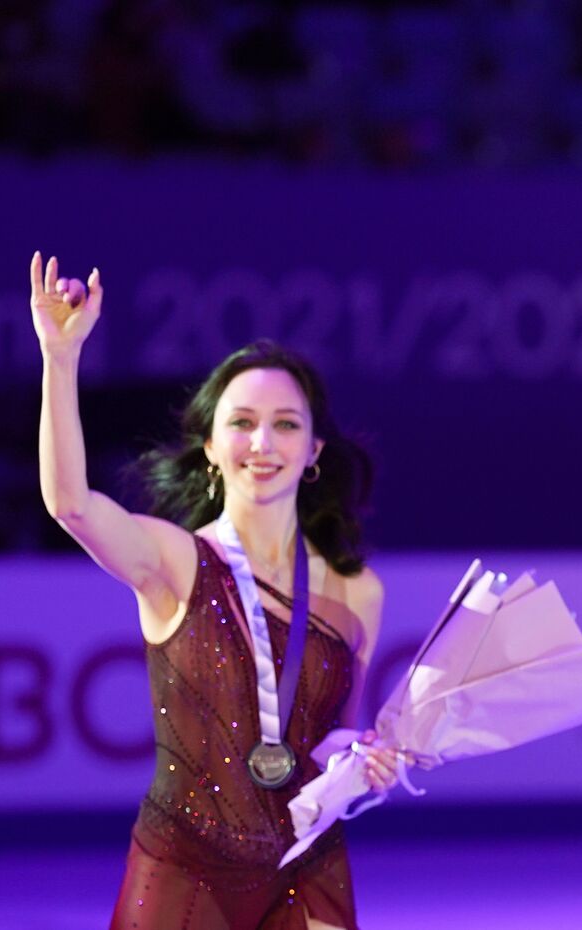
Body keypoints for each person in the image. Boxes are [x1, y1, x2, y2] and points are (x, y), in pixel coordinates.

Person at [31, 253, 400, 930]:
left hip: (309, 863)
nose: (263, 441)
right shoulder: (174, 559)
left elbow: (335, 735)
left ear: (315, 450)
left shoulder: (358, 591)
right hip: (182, 866)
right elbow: (71, 506)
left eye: (286, 423)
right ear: (209, 445)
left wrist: (363, 760)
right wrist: (61, 357)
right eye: (241, 422)